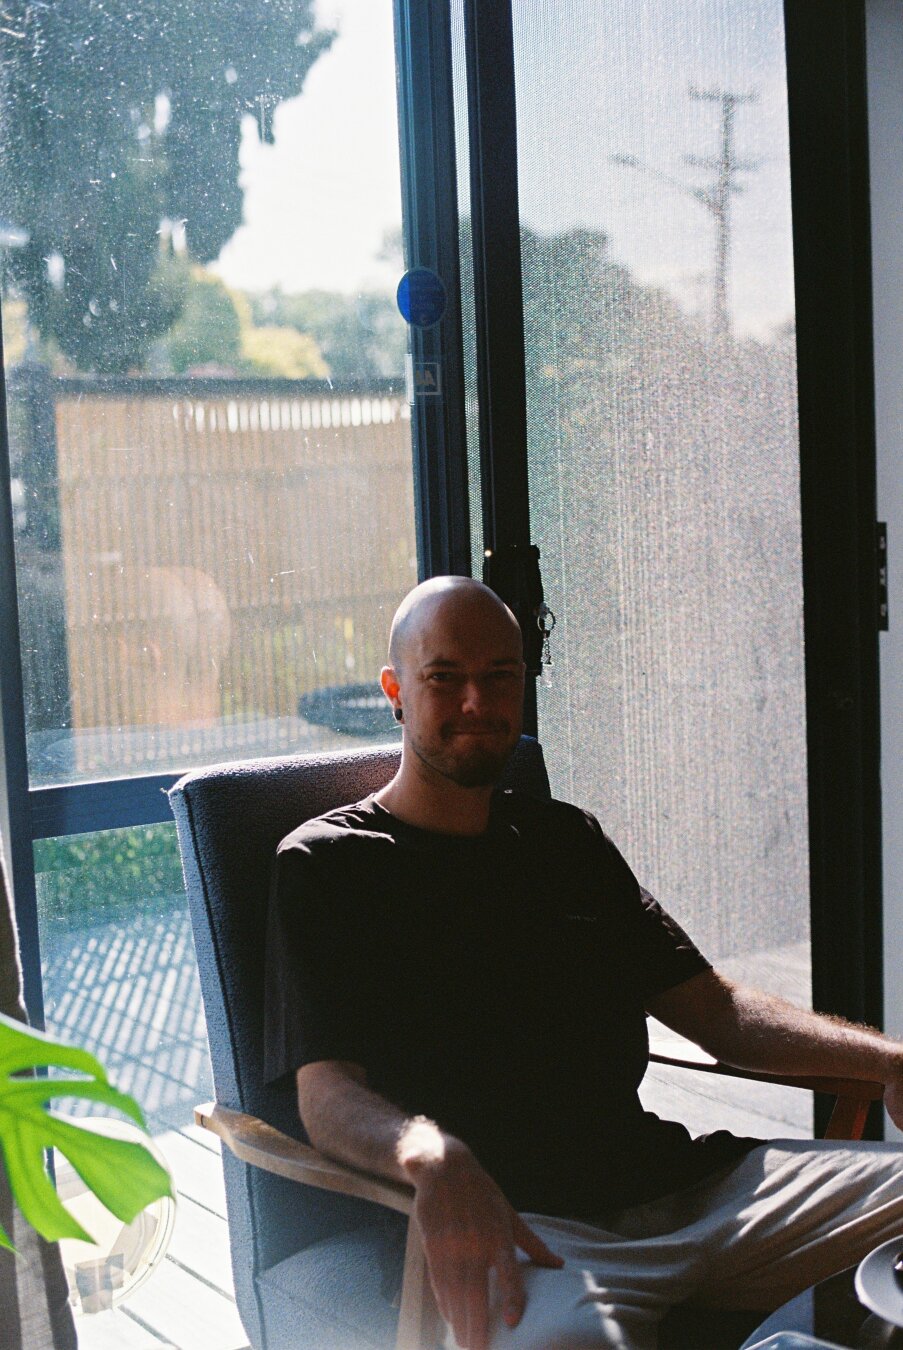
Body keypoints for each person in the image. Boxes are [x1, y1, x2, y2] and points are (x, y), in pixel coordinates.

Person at [264, 576, 903, 1350]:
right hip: (531, 1230)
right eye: (444, 677)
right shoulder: (329, 865)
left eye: (499, 675)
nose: (476, 700)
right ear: (396, 691)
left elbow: (719, 1015)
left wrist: (888, 1061)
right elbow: (324, 1092)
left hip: (694, 1190)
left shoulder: (566, 841)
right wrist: (432, 1156)